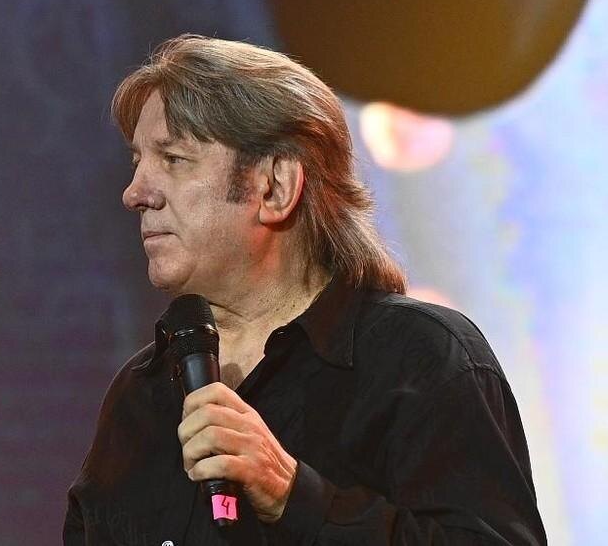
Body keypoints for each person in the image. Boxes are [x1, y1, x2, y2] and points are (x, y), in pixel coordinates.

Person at [63, 34, 547, 545]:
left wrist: (292, 496)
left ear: (275, 187)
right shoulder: (141, 392)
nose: (135, 193)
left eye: (174, 159)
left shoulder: (421, 359)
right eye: (137, 162)